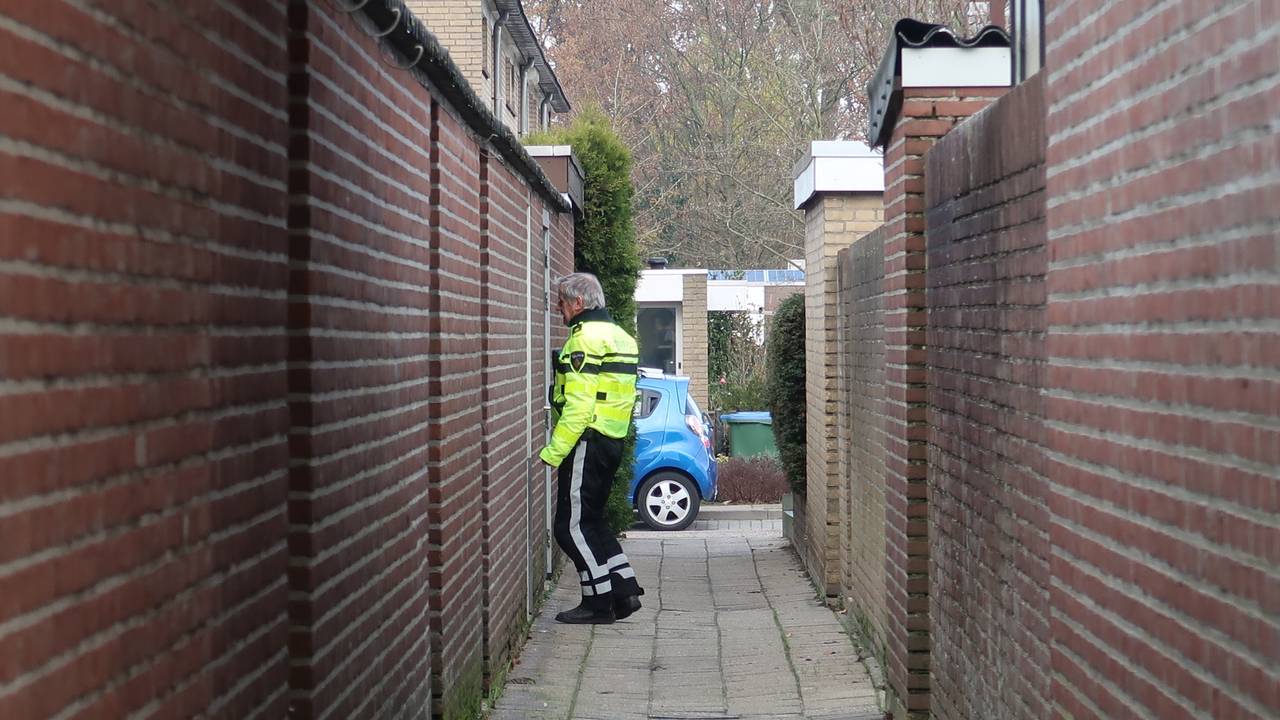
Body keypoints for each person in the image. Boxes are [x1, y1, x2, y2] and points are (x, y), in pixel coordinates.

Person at [536, 273, 645, 624]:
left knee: (569, 527)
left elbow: (579, 408)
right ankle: (625, 591)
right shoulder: (620, 337)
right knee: (592, 521)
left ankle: (598, 603)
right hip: (611, 438)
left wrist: (553, 452)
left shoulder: (585, 341)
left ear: (578, 304)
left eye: (562, 302)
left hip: (588, 440)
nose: (558, 309)